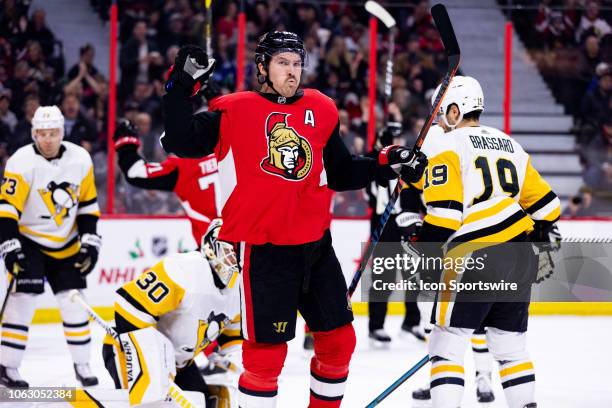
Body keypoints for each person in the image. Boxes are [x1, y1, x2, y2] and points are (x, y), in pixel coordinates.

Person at [160, 31, 427, 407]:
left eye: (297, 63)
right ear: (263, 67)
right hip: (264, 253)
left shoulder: (321, 108)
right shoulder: (232, 110)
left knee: (339, 344)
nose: (292, 71)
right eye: (283, 62)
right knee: (266, 358)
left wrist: (386, 163)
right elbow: (179, 140)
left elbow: (341, 171)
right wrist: (179, 87)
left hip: (316, 249)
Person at [412, 76, 561, 408]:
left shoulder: (446, 145)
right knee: (511, 350)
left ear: (454, 110)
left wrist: (427, 258)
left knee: (447, 347)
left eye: (440, 112)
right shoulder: (510, 145)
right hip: (519, 254)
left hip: (470, 254)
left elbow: (446, 215)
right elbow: (549, 207)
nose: (437, 120)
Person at [0, 105, 102, 387]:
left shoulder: (80, 158)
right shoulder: (20, 162)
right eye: (42, 133)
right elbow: (7, 210)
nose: (47, 139)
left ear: (62, 132)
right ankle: (8, 368)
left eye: (53, 133)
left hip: (67, 242)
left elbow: (88, 206)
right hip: (29, 240)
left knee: (75, 305)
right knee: (22, 302)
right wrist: (10, 247)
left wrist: (90, 244)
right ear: (34, 133)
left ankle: (82, 365)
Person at [102, 219, 242, 407]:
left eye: (239, 250)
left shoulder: (239, 289)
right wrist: (153, 369)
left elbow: (233, 339)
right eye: (230, 250)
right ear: (212, 247)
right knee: (150, 402)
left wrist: (242, 373)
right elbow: (128, 307)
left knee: (210, 401)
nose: (235, 257)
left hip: (179, 365)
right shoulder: (186, 269)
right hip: (130, 350)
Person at [366, 121, 426, 347]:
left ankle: (411, 322)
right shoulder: (377, 162)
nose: (400, 142)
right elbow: (374, 187)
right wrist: (378, 150)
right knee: (384, 278)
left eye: (401, 138)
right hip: (385, 224)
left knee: (414, 274)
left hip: (408, 222)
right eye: (395, 138)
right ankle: (376, 326)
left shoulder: (408, 161)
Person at [113, 119, 220, 242]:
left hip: (212, 247)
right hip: (242, 240)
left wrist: (126, 145)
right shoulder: (236, 153)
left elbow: (135, 172)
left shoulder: (185, 165)